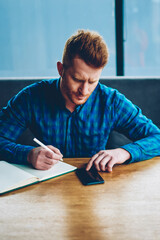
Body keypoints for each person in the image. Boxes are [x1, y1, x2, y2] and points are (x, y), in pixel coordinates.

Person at [0, 30, 160, 173]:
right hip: (46, 193)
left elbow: (156, 138)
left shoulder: (112, 102)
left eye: (92, 81)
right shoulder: (31, 98)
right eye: (77, 79)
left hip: (97, 190)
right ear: (60, 69)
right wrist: (28, 155)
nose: (84, 90)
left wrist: (123, 153)